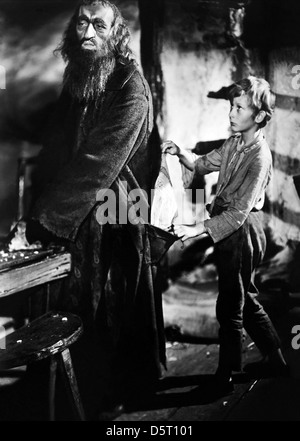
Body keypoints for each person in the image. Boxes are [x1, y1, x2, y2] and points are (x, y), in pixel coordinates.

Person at [7, 0, 172, 419]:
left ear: (115, 33)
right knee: (71, 299)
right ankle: (65, 385)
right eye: (81, 22)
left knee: (113, 303)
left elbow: (99, 160)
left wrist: (43, 218)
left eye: (99, 24)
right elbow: (61, 145)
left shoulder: (130, 85)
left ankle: (108, 393)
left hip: (115, 208)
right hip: (75, 203)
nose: (87, 31)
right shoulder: (78, 74)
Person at [161, 76, 289, 395]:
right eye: (231, 107)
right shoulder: (234, 143)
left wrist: (195, 229)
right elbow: (203, 165)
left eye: (239, 108)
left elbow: (238, 214)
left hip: (241, 232)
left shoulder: (259, 157)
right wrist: (180, 153)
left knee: (229, 304)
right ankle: (277, 360)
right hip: (230, 230)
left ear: (259, 116)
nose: (231, 114)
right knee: (245, 300)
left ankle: (226, 374)